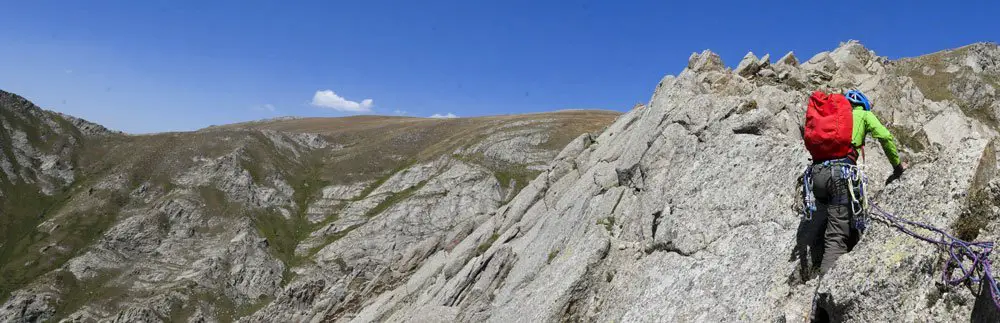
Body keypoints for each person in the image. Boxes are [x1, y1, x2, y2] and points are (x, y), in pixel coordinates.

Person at [806, 89, 906, 273]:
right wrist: (897, 166)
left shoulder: (832, 117)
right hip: (840, 175)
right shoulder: (864, 114)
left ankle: (820, 260)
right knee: (837, 234)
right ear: (863, 105)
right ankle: (826, 287)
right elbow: (884, 136)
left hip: (817, 175)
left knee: (835, 217)